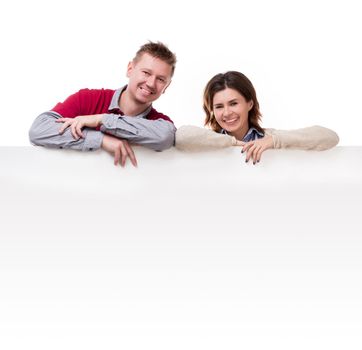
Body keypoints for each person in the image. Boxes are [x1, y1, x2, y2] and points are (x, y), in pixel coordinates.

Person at [29, 41, 177, 167]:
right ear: (130, 69)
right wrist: (101, 140)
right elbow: (39, 130)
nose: (151, 83)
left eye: (161, 79)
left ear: (166, 87)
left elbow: (165, 137)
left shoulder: (160, 123)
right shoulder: (87, 98)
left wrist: (102, 119)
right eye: (146, 72)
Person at [175, 71, 339, 164]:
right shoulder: (207, 141)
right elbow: (181, 136)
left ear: (250, 104)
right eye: (219, 106)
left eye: (233, 103)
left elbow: (330, 137)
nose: (226, 113)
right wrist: (233, 143)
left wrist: (273, 141)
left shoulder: (269, 138)